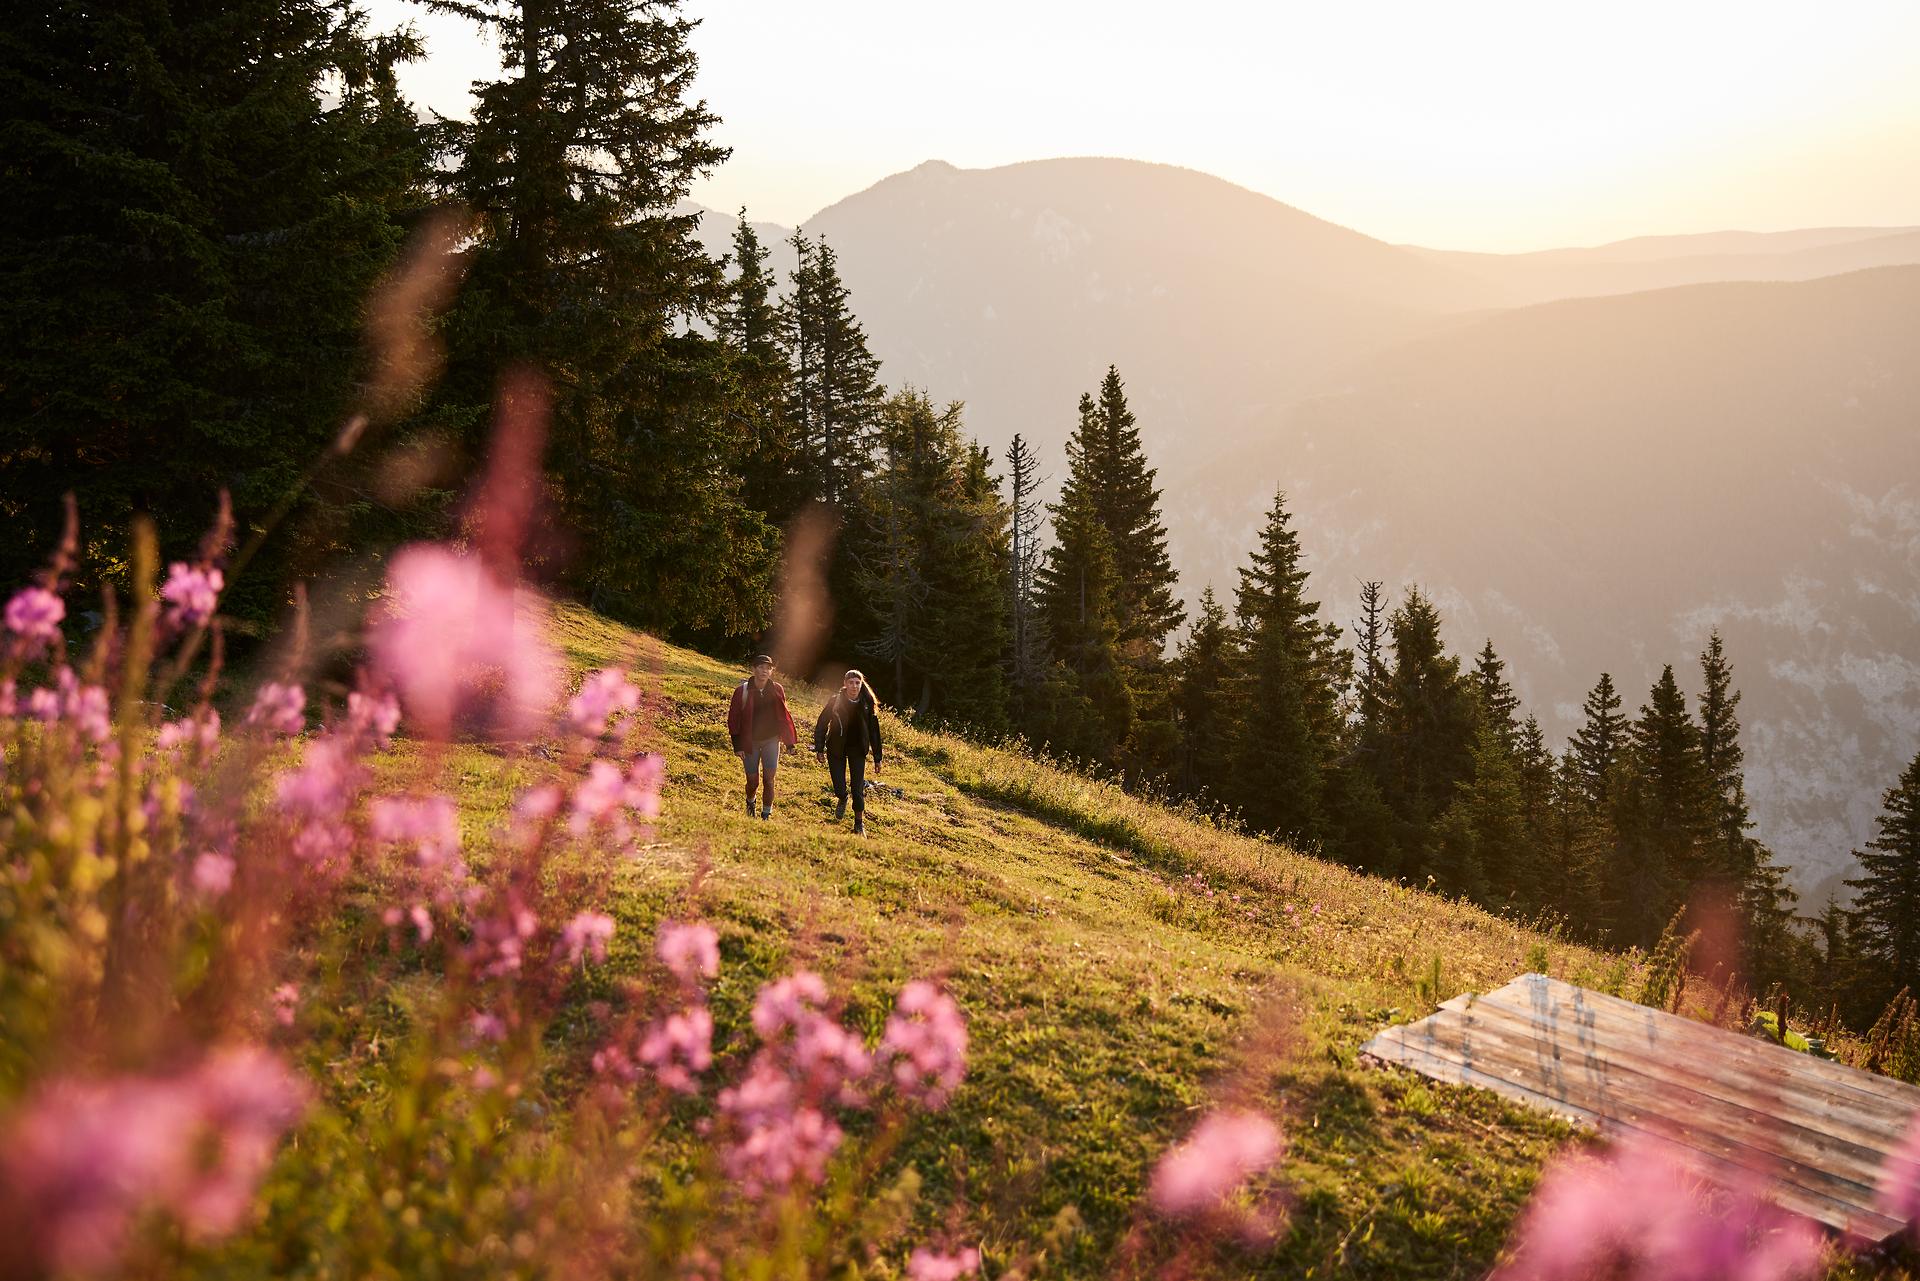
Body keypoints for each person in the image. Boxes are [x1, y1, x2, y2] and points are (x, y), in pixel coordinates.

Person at [813, 668, 883, 836]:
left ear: (861, 684)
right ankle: (842, 798)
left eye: (857, 683)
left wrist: (877, 757)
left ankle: (859, 824)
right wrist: (819, 748)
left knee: (857, 789)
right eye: (851, 683)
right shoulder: (835, 701)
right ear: (845, 684)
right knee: (839, 788)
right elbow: (821, 724)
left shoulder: (866, 703)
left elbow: (874, 732)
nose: (854, 686)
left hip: (857, 749)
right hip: (836, 748)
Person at [727, 655, 796, 820]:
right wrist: (738, 745)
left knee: (769, 780)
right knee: (753, 782)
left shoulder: (777, 689)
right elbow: (733, 718)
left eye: (768, 668)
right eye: (761, 667)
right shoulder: (742, 691)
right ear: (754, 669)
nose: (765, 671)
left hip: (771, 740)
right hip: (749, 742)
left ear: (771, 671)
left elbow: (783, 715)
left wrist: (789, 743)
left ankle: (766, 815)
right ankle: (750, 802)